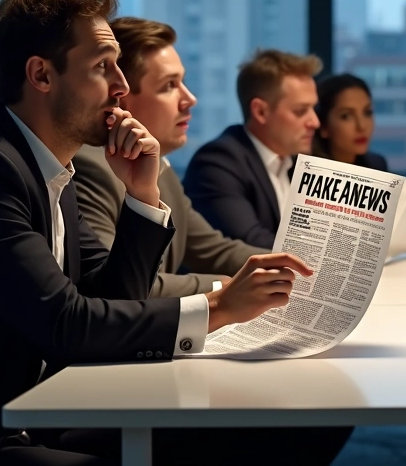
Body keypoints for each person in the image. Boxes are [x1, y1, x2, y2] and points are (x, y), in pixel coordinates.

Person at [0, 0, 326, 466]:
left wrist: (141, 195)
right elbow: (66, 324)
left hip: (31, 407)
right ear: (41, 75)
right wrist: (218, 307)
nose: (122, 87)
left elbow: (105, 301)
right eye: (103, 67)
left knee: (228, 436)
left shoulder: (47, 166)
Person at [72, 17, 281, 295]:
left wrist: (298, 267)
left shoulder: (162, 170)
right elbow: (122, 285)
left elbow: (215, 250)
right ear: (121, 99)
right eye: (169, 86)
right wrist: (228, 288)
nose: (190, 98)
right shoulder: (92, 168)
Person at [183, 49, 322, 250]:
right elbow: (252, 242)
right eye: (301, 111)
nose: (315, 122)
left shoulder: (301, 162)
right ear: (260, 111)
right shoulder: (218, 162)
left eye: (313, 109)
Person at [313, 72, 406, 254]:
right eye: (346, 116)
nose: (362, 126)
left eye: (367, 113)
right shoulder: (311, 173)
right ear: (323, 126)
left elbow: (389, 231)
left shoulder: (376, 165)